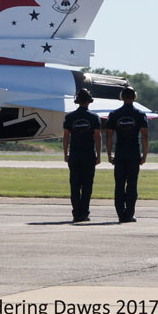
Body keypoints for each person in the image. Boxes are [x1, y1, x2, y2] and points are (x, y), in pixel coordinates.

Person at [106, 87, 149, 223]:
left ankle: (120, 214)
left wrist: (109, 155)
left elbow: (109, 136)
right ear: (134, 97)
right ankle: (129, 214)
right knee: (132, 185)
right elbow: (145, 136)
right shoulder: (140, 114)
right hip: (133, 153)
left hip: (120, 153)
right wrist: (144, 155)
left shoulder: (114, 114)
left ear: (121, 97)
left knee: (119, 185)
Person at [63, 88, 101, 223]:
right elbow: (98, 136)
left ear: (77, 101)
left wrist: (65, 153)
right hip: (88, 155)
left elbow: (66, 137)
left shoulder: (70, 117)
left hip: (74, 155)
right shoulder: (94, 117)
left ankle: (76, 213)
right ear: (89, 101)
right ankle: (84, 213)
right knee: (87, 186)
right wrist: (99, 155)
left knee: (74, 186)